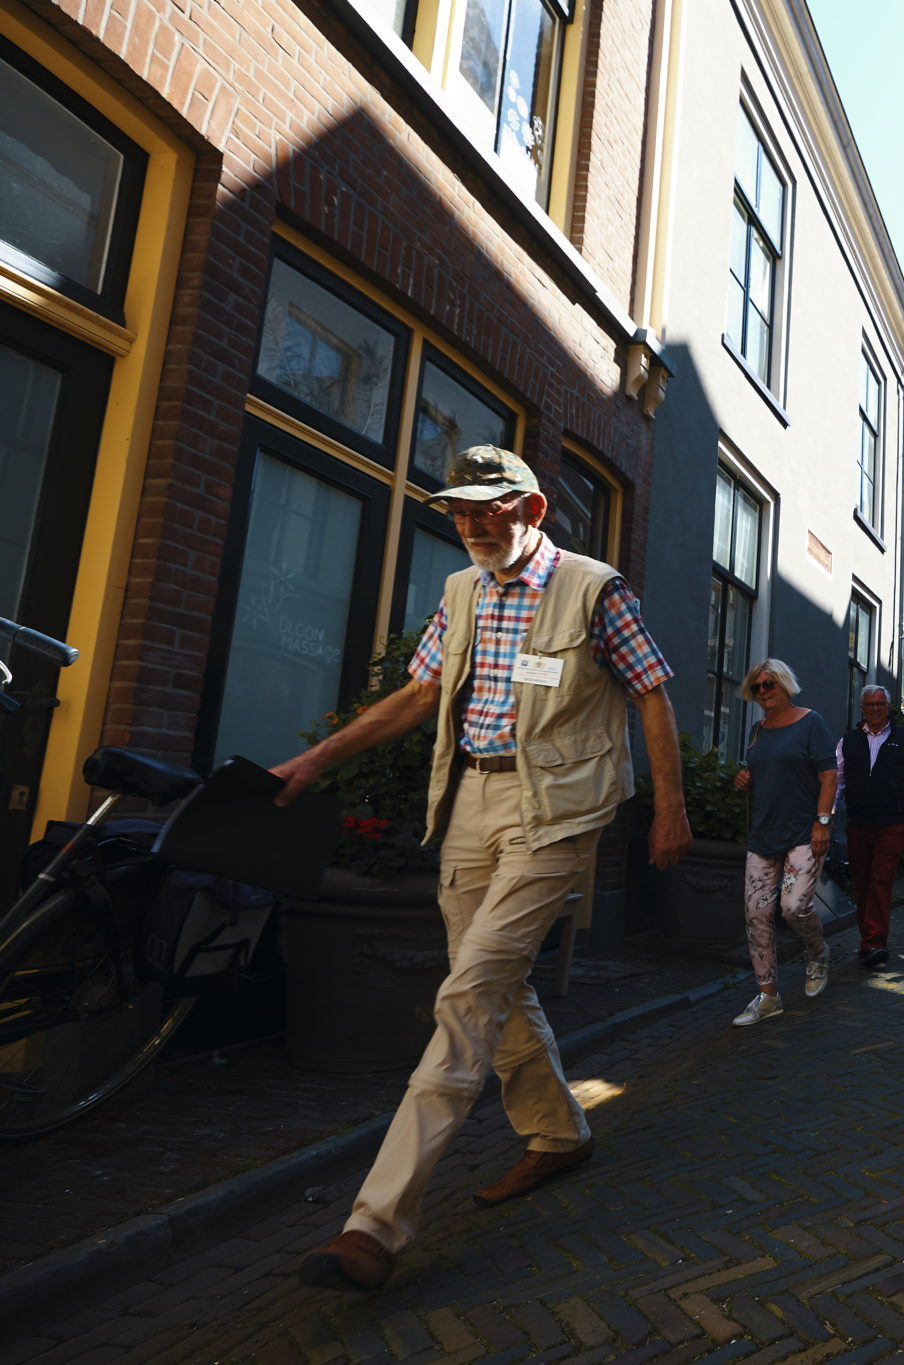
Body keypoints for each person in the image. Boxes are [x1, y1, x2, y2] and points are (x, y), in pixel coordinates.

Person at [276, 446, 691, 1292]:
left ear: (530, 511)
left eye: (486, 511)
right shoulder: (460, 589)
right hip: (469, 800)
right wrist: (316, 759)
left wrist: (672, 807)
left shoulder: (593, 587)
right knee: (494, 982)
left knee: (467, 996)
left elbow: (651, 691)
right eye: (459, 512)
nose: (468, 525)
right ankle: (559, 1131)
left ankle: (374, 1225)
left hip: (557, 813)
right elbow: (421, 694)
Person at [730, 659, 835, 1024]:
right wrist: (745, 779)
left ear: (785, 684)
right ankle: (768, 996)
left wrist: (823, 823)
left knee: (793, 908)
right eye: (757, 687)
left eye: (769, 684)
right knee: (756, 914)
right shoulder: (757, 730)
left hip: (804, 834)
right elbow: (763, 773)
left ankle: (818, 953)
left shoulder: (811, 722)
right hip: (764, 834)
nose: (762, 692)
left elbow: (828, 775)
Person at [834, 685, 904, 969]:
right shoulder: (847, 741)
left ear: (888, 708)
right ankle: (868, 943)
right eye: (870, 705)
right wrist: (825, 816)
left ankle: (876, 941)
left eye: (880, 704)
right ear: (862, 708)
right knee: (862, 884)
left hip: (892, 823)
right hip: (858, 823)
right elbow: (837, 782)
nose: (875, 709)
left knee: (880, 880)